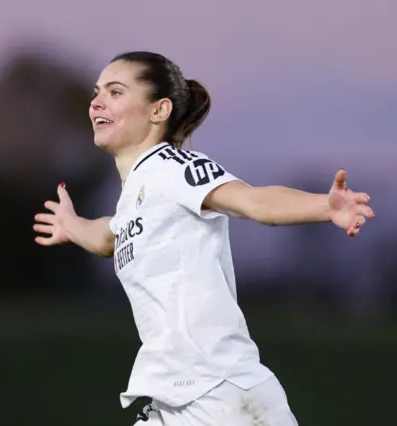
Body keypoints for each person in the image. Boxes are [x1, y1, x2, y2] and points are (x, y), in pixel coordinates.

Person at [33, 51, 375, 426]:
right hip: (176, 404)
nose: (96, 101)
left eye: (115, 92)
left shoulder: (172, 167)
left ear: (159, 110)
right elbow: (109, 235)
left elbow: (251, 200)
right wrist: (71, 224)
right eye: (97, 92)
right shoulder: (138, 195)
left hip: (225, 398)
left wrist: (324, 207)